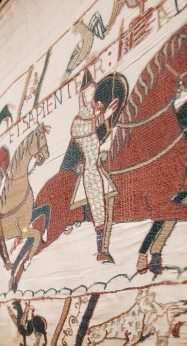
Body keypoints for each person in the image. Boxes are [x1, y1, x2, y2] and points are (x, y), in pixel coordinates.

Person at [70, 70, 120, 263]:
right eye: (88, 93)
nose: (92, 96)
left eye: (93, 91)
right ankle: (101, 250)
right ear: (82, 97)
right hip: (91, 169)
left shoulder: (94, 114)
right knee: (98, 201)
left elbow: (100, 130)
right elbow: (87, 128)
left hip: (99, 161)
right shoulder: (78, 123)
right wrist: (104, 115)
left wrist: (105, 114)